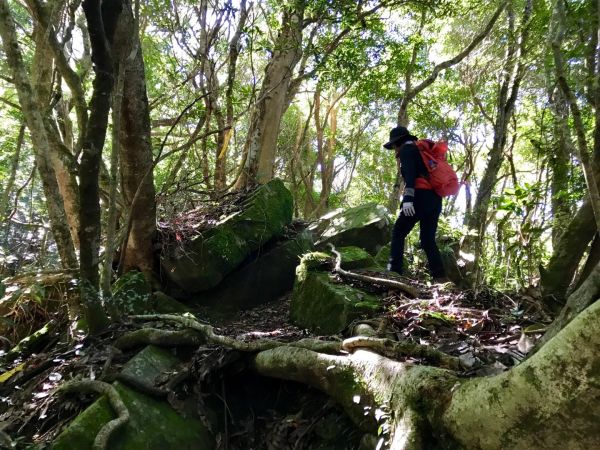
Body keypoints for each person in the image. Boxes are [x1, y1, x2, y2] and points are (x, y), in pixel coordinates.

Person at [383, 126, 447, 281]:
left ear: (397, 143)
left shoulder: (406, 150)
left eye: (393, 146)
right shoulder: (421, 151)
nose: (394, 151)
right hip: (435, 199)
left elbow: (411, 177)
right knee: (427, 240)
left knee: (398, 232)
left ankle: (394, 273)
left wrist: (408, 200)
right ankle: (441, 278)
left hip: (419, 197)